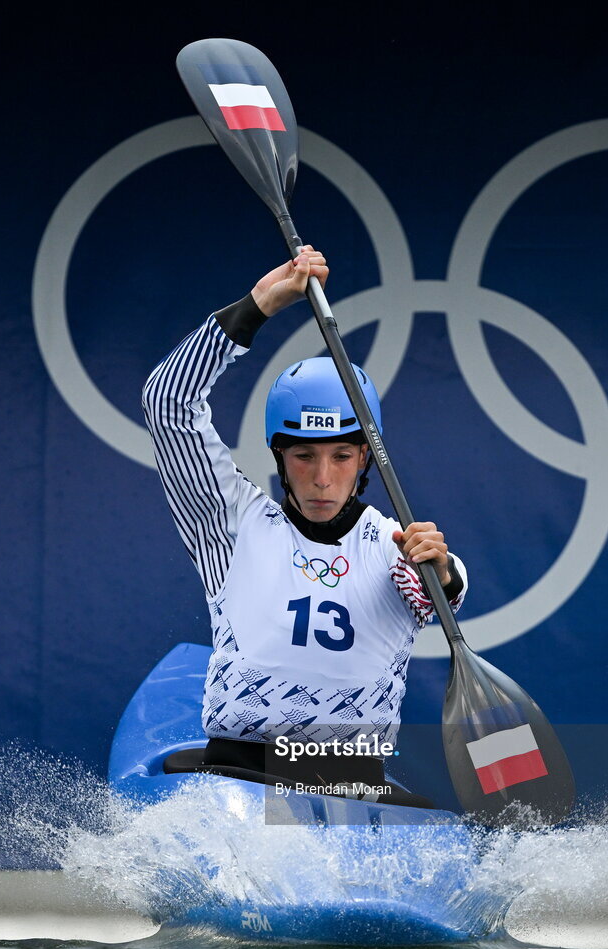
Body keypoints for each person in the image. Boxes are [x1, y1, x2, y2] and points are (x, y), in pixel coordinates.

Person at [142, 247, 467, 805]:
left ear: (366, 459)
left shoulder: (396, 547)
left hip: (349, 788)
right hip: (237, 780)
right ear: (278, 455)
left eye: (341, 457)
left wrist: (440, 571)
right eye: (304, 457)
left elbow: (442, 590)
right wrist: (260, 305)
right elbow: (167, 403)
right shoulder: (231, 522)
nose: (322, 478)